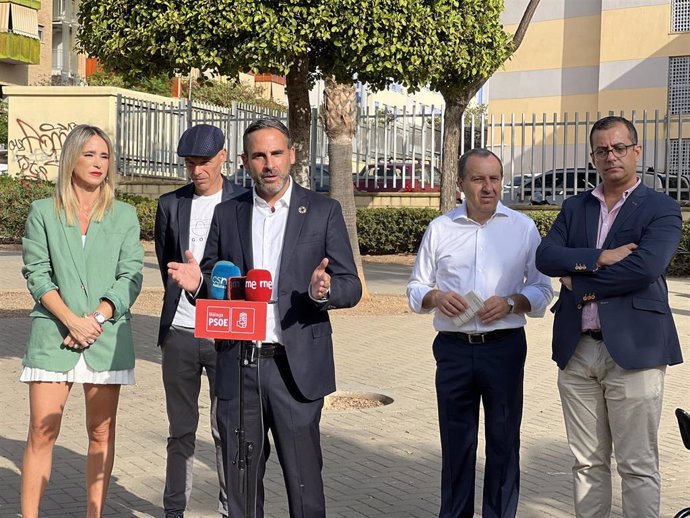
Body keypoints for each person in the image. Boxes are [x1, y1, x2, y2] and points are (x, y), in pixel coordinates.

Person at [166, 118, 362, 518]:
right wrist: (196, 284)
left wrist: (323, 291)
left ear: (291, 156)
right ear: (244, 161)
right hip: (240, 368)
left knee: (304, 487)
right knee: (240, 488)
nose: (268, 164)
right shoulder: (228, 213)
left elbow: (351, 285)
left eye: (276, 153)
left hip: (296, 372)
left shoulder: (323, 211)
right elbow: (215, 285)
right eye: (259, 156)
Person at [535, 115, 683, 518]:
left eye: (619, 148)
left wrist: (579, 281)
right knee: (586, 464)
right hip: (578, 351)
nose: (610, 156)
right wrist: (600, 256)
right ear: (593, 157)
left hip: (635, 352)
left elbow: (644, 269)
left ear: (637, 151)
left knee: (637, 465)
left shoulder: (661, 208)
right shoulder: (574, 206)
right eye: (602, 150)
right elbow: (546, 257)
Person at [407, 148, 553, 518]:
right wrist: (435, 296)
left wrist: (512, 302)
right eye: (478, 179)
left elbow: (542, 291)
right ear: (460, 184)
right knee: (457, 445)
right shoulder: (440, 229)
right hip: (453, 350)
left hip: (503, 348)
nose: (488, 187)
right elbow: (414, 289)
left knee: (504, 442)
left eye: (494, 178)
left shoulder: (523, 228)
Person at [20, 124, 144, 518]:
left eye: (105, 156)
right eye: (89, 154)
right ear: (71, 158)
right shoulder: (43, 212)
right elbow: (37, 273)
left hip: (105, 337)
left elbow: (131, 275)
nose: (97, 163)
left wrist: (96, 317)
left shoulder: (124, 215)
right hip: (54, 334)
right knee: (42, 430)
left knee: (101, 432)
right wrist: (72, 320)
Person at [154, 123, 246, 518]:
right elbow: (166, 264)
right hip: (179, 331)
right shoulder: (170, 204)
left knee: (225, 429)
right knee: (180, 430)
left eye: (204, 162)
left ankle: (230, 510)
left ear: (223, 156)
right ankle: (174, 510)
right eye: (190, 164)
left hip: (224, 332)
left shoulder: (245, 201)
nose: (197, 171)